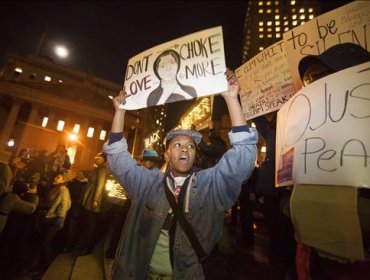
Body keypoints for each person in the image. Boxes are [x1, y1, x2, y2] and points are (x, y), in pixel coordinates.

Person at [103, 68, 258, 279]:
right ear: (167, 154)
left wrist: (231, 98)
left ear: (195, 155)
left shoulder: (210, 185)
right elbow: (117, 157)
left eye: (191, 146)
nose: (185, 149)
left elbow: (243, 156)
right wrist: (120, 111)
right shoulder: (147, 182)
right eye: (177, 144)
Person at [293, 42, 370, 280]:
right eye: (309, 80)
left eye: (322, 76)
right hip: (314, 257)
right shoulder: (304, 129)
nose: (314, 86)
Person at [75, 152, 107, 256]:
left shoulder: (102, 170)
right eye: (96, 157)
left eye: (98, 158)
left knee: (90, 225)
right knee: (86, 224)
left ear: (103, 159)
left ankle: (88, 247)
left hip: (92, 201)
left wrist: (95, 200)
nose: (96, 159)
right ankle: (84, 245)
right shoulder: (97, 169)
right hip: (88, 199)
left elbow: (100, 185)